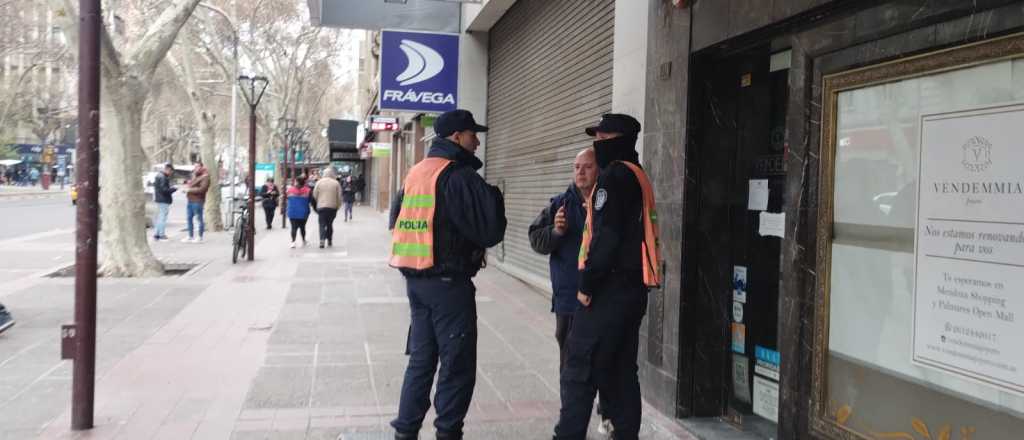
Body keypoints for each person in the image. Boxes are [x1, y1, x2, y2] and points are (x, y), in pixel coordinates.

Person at [389, 109, 506, 440]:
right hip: (448, 285)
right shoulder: (458, 175)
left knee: (421, 362)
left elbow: (396, 220)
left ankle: (405, 432)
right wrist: (494, 198)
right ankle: (447, 434)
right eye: (472, 134)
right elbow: (489, 229)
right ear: (457, 137)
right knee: (456, 366)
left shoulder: (417, 172)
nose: (477, 141)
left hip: (416, 281)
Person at [553, 114, 662, 440]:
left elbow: (607, 236)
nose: (596, 143)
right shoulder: (637, 174)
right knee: (620, 372)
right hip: (631, 291)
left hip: (608, 292)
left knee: (579, 371)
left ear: (618, 138)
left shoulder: (614, 177)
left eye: (601, 137)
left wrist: (587, 286)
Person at [528, 148, 614, 435]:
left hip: (603, 297)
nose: (580, 172)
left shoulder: (609, 202)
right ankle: (570, 418)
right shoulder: (560, 205)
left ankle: (608, 412)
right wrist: (556, 232)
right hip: (569, 299)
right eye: (576, 167)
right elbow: (536, 240)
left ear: (598, 170)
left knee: (607, 357)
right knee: (571, 364)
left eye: (586, 166)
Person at [312, 167, 342, 248]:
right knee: (329, 224)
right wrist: (338, 206)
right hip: (332, 207)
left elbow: (314, 195)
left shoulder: (319, 182)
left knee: (322, 224)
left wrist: (318, 203)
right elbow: (339, 196)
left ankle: (322, 240)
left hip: (321, 207)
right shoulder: (336, 183)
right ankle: (329, 240)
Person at [182, 162, 210, 243]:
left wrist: (189, 190)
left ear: (201, 167)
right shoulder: (195, 175)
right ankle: (190, 236)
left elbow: (202, 189)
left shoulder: (205, 176)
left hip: (198, 200)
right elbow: (191, 184)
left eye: (197, 166)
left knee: (199, 219)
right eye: (194, 166)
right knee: (189, 218)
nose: (195, 168)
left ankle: (200, 237)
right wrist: (187, 184)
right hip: (190, 199)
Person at [286, 175, 313, 248]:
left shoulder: (289, 190)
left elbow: (286, 198)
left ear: (296, 182)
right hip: (304, 212)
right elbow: (311, 201)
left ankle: (293, 242)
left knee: (293, 227)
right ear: (304, 182)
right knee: (302, 227)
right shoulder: (308, 190)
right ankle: (304, 240)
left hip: (292, 211)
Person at [152, 163, 177, 241]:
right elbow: (164, 190)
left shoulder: (158, 176)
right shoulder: (163, 177)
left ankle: (157, 234)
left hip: (159, 199)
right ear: (168, 169)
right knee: (162, 217)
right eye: (171, 171)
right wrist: (173, 189)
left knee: (160, 217)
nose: (171, 173)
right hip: (164, 199)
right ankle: (161, 234)